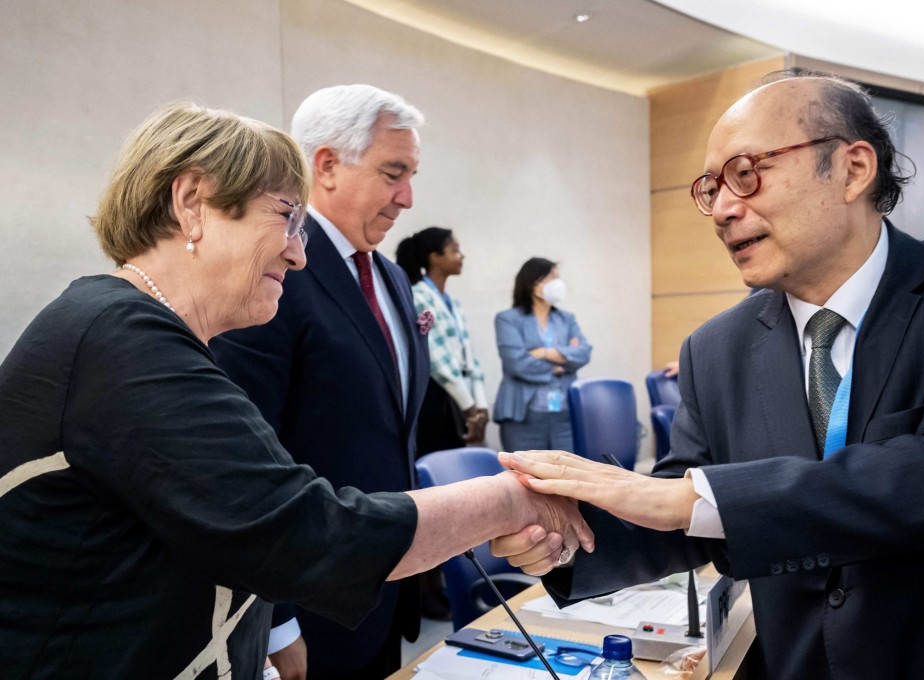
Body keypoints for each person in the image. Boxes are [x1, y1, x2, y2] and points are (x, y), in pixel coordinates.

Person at [0, 101, 593, 680]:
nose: (298, 252)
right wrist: (512, 500)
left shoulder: (143, 332)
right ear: (191, 204)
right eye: (285, 217)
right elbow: (305, 531)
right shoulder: (120, 338)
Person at [494, 70, 924, 679]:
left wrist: (683, 496)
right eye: (710, 188)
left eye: (746, 174)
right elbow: (685, 511)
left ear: (852, 169)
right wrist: (561, 537)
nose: (721, 210)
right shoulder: (715, 348)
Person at [208, 84, 434, 678]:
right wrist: (276, 619)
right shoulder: (271, 275)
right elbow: (243, 462)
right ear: (327, 165)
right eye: (393, 173)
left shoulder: (390, 277)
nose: (407, 197)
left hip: (386, 585)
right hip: (307, 607)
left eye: (411, 175)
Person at [395, 226, 489, 451]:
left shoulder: (452, 303)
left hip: (461, 399)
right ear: (434, 257)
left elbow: (469, 357)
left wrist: (481, 406)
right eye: (454, 250)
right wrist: (470, 408)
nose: (461, 255)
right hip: (437, 399)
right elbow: (438, 362)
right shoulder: (418, 296)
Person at [492, 258, 592, 453]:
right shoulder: (508, 319)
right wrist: (561, 363)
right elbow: (517, 363)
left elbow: (584, 353)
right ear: (533, 284)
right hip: (524, 416)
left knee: (565, 475)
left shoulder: (566, 319)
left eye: (557, 278)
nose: (557, 284)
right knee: (525, 478)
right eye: (550, 278)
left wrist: (544, 353)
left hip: (564, 415)